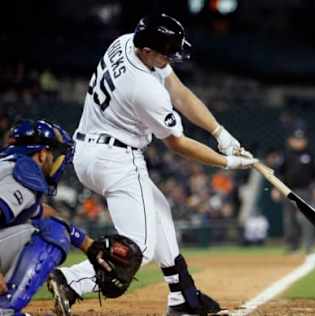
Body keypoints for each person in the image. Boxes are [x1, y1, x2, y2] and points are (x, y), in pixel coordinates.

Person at [50, 13, 257, 316]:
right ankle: (71, 281)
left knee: (160, 211)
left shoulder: (124, 43)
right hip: (116, 159)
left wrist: (219, 133)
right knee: (139, 249)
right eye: (167, 53)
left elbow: (180, 92)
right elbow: (177, 143)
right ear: (148, 51)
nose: (171, 58)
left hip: (89, 150)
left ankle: (182, 294)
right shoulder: (143, 88)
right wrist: (227, 162)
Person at [0, 119, 95, 316]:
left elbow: (40, 213)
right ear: (42, 154)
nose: (57, 162)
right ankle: (5, 309)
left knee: (49, 226)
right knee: (53, 232)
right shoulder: (25, 172)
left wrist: (88, 245)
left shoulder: (9, 166)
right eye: (55, 155)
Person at [271, 128, 315, 254]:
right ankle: (292, 246)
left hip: (305, 191)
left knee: (307, 219)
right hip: (288, 191)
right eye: (296, 140)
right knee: (289, 220)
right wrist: (276, 188)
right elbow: (278, 173)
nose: (298, 142)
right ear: (290, 141)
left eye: (301, 140)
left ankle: (309, 246)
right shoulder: (286, 155)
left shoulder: (310, 155)